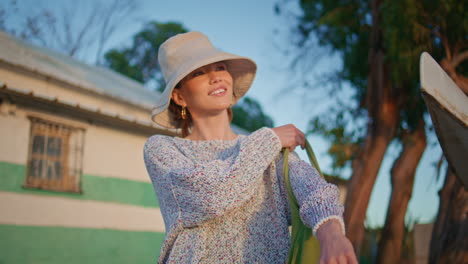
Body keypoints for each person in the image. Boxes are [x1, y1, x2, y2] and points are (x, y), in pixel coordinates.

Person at [144, 31, 357, 264]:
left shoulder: (270, 151)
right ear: (179, 97)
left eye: (221, 67)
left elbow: (314, 191)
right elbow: (212, 196)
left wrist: (332, 235)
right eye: (199, 72)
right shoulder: (162, 149)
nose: (216, 77)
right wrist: (269, 139)